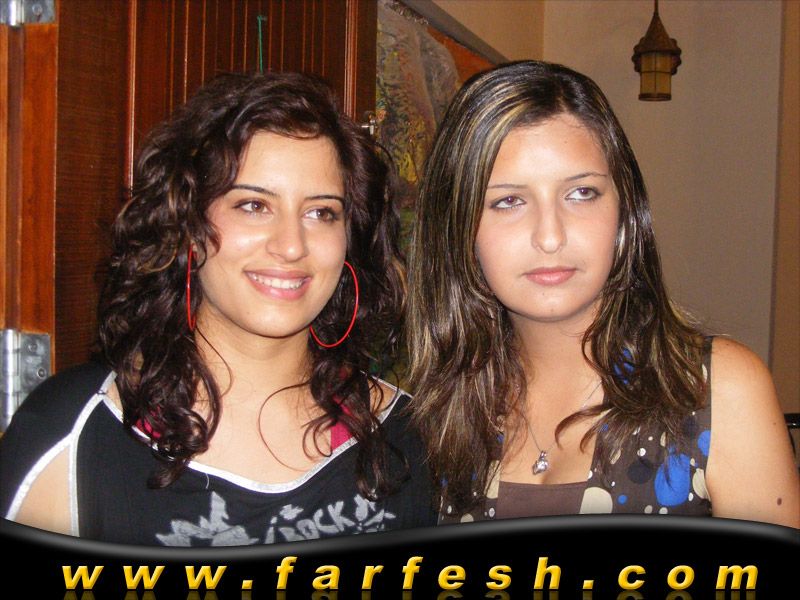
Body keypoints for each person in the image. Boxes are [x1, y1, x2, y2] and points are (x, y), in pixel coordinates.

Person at [0, 71, 437, 545]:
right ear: (187, 224)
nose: (292, 245)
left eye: (320, 212)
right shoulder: (75, 430)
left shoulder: (410, 437)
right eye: (253, 205)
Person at [406, 60, 799, 527]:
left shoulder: (713, 390)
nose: (550, 236)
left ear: (624, 211)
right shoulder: (437, 412)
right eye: (508, 201)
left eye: (581, 193)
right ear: (457, 228)